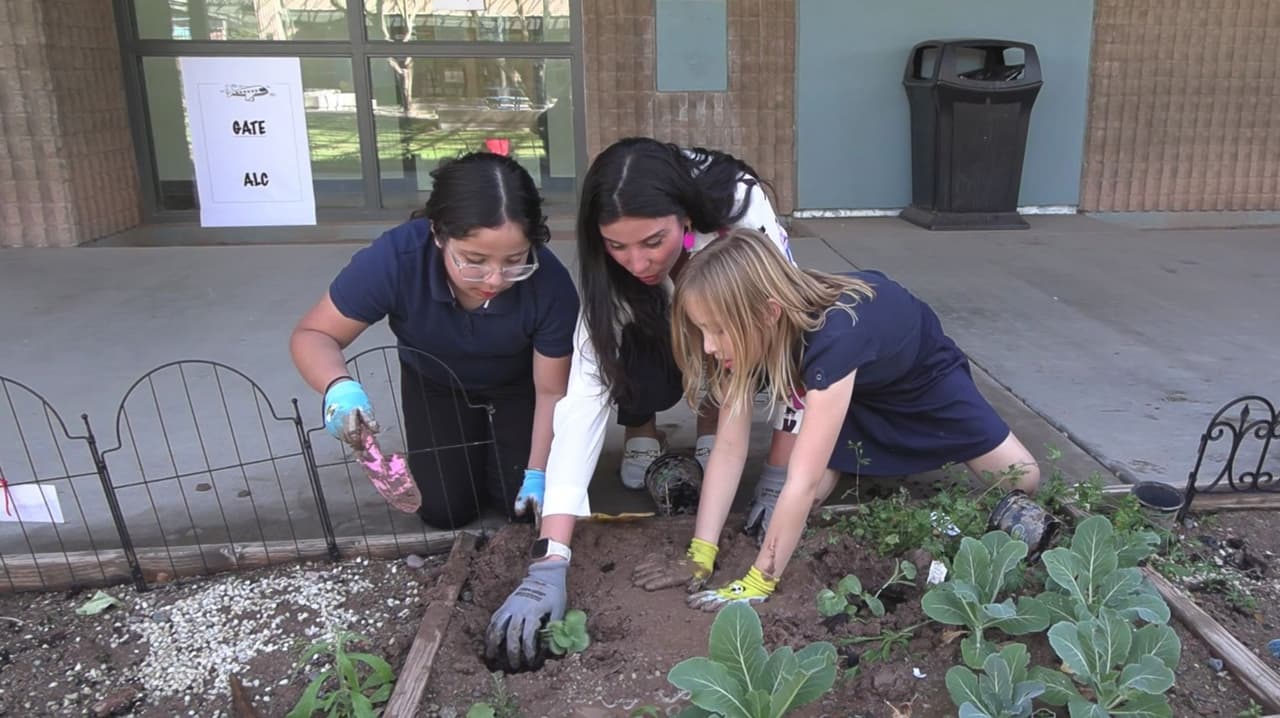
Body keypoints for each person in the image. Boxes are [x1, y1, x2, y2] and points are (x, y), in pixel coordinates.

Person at [484, 137, 797, 671]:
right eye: (616, 246)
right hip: (668, 319)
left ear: (686, 217)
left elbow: (792, 342)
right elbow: (580, 403)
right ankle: (646, 431)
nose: (637, 261)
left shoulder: (742, 210)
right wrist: (550, 558)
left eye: (653, 241)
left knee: (740, 343)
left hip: (734, 303)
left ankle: (712, 428)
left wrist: (778, 475)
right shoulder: (618, 275)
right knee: (634, 344)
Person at [632, 228, 1041, 610]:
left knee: (1022, 479)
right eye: (702, 330)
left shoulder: (835, 335)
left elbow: (801, 479)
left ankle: (871, 462)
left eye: (717, 331)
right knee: (804, 501)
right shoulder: (750, 331)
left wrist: (761, 580)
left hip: (921, 384)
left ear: (769, 313)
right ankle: (848, 453)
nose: (708, 346)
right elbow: (728, 447)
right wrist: (700, 553)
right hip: (849, 391)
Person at [289, 152, 579, 530]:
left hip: (518, 386)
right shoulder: (397, 259)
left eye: (514, 260)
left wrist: (538, 471)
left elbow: (550, 392)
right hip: (435, 383)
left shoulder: (550, 285)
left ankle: (506, 455)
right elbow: (315, 334)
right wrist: (338, 388)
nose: (494, 279)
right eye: (473, 260)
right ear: (438, 234)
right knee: (445, 510)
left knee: (520, 510)